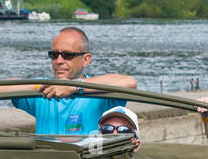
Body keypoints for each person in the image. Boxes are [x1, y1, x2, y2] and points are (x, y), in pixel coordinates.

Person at [8, 27, 136, 136]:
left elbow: (129, 83)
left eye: (67, 55)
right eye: (54, 55)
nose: (59, 61)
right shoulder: (43, 89)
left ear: (86, 59)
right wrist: (39, 85)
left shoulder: (101, 93)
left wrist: (75, 87)